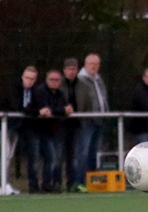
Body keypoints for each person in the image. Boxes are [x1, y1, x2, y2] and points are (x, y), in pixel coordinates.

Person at [0, 66, 38, 195]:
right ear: (22, 77)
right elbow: (18, 107)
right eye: (27, 78)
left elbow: (32, 107)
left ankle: (4, 184)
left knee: (9, 154)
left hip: (16, 126)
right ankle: (1, 185)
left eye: (32, 79)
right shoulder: (14, 88)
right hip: (2, 124)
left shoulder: (34, 91)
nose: (29, 81)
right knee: (5, 153)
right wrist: (36, 111)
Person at [30, 69, 73, 192]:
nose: (54, 82)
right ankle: (33, 187)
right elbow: (47, 110)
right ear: (46, 80)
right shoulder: (40, 91)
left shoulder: (60, 94)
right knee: (35, 159)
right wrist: (62, 110)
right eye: (52, 79)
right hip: (35, 130)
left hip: (49, 131)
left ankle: (47, 185)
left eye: (57, 80)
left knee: (51, 158)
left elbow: (63, 109)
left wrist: (62, 110)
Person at [72, 53, 110, 192]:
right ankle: (79, 181)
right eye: (91, 64)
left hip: (99, 121)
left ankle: (91, 182)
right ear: (85, 64)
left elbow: (103, 98)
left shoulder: (99, 80)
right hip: (86, 122)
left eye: (96, 64)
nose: (94, 66)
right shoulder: (80, 80)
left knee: (94, 152)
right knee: (83, 152)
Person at [59, 58, 81, 190]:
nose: (72, 71)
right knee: (58, 155)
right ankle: (56, 183)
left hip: (77, 125)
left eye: (74, 69)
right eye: (69, 69)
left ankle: (72, 183)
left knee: (74, 156)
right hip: (61, 126)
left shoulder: (82, 85)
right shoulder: (58, 84)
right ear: (64, 70)